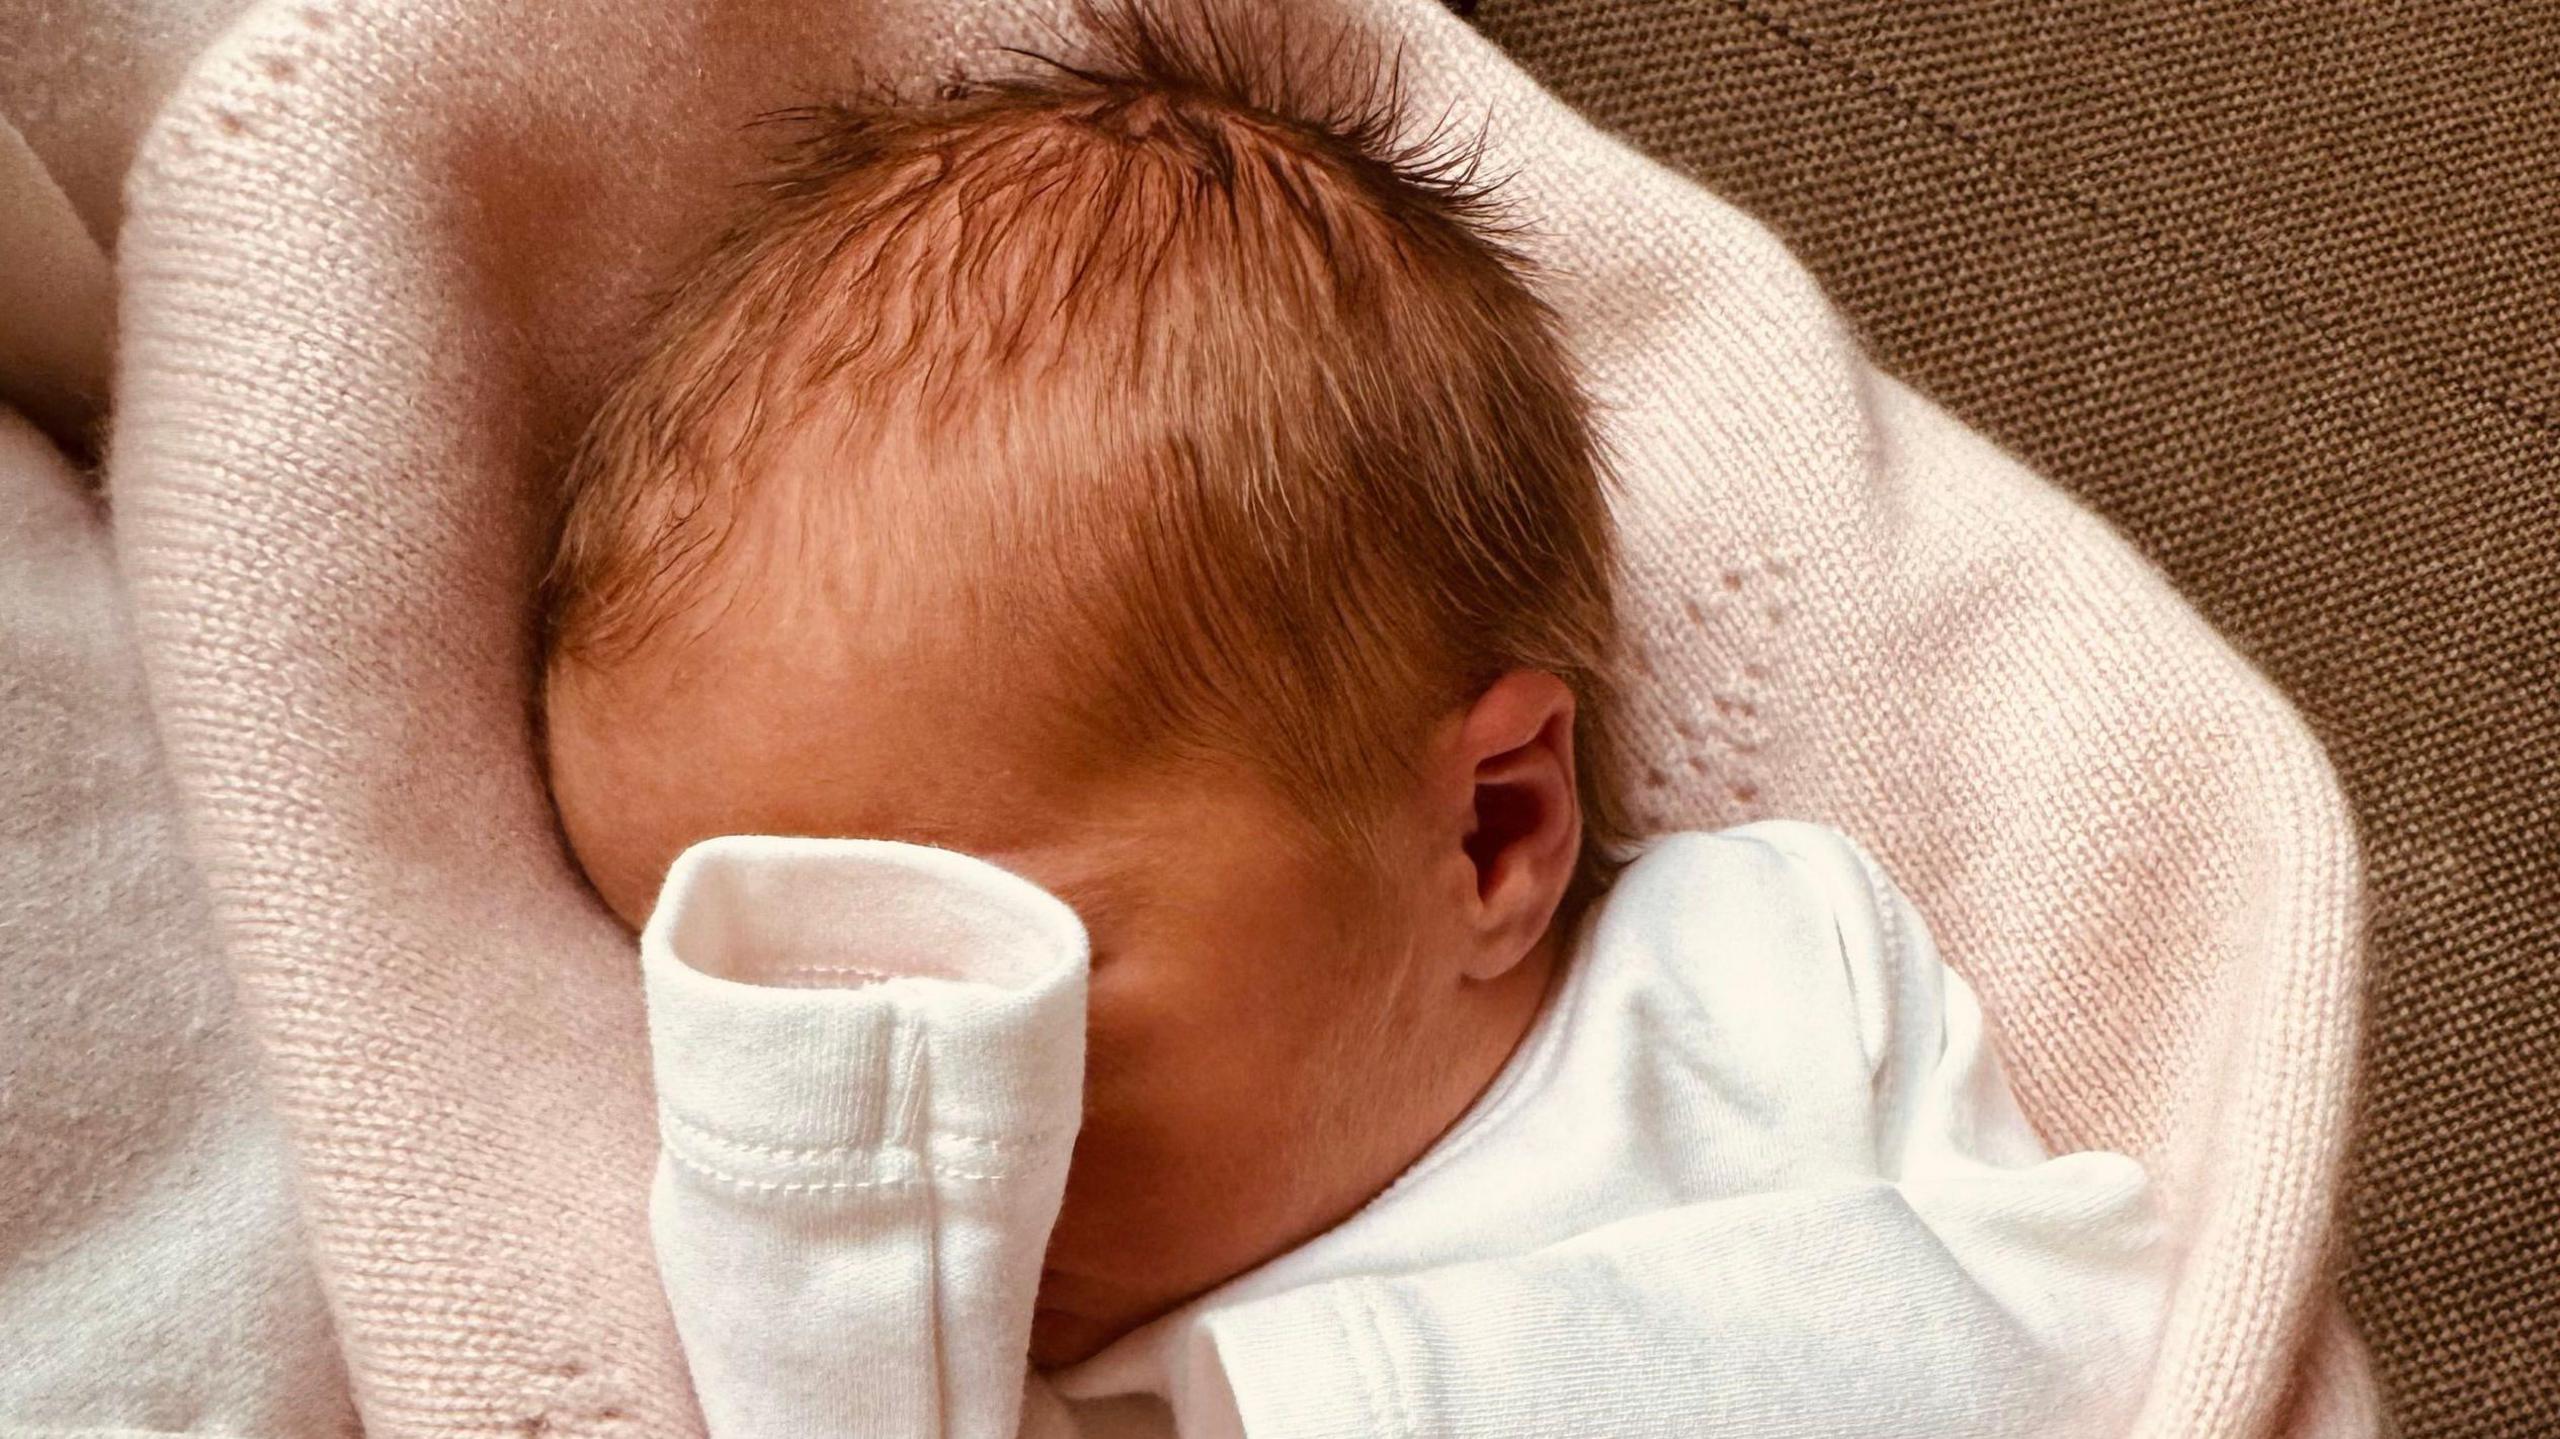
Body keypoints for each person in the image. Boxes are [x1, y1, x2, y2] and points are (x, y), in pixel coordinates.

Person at [536, 4, 2166, 1433]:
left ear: (1490, 830)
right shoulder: (958, 1356)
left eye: (1003, 973)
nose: (886, 1103)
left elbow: (2087, 1340)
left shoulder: (1744, 991)